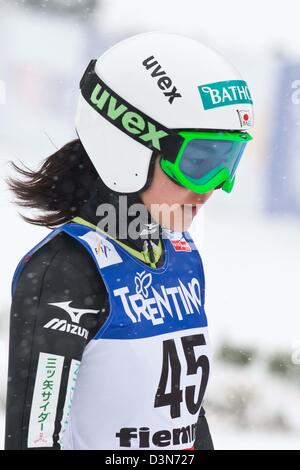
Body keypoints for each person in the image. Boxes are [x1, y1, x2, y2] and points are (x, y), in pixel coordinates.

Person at [4, 31, 254, 450]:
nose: (213, 186)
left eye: (228, 161)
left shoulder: (181, 257)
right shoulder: (68, 270)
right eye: (199, 161)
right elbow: (35, 440)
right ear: (129, 147)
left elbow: (183, 423)